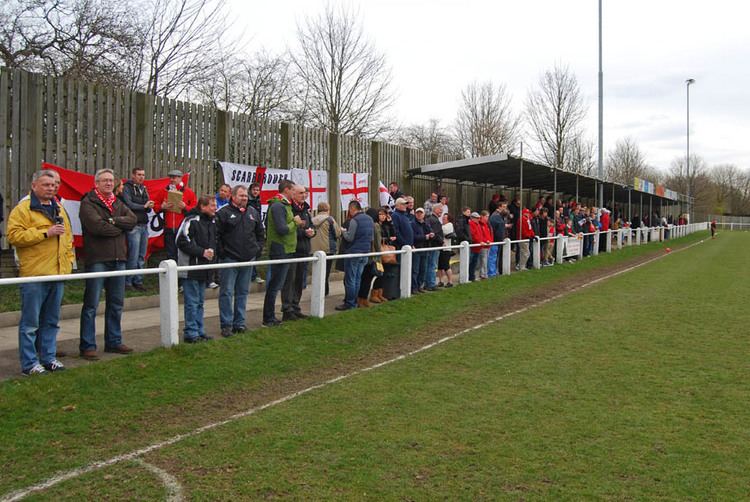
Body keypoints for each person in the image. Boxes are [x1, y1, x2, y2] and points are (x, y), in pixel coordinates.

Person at [7, 169, 75, 375]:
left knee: (51, 321)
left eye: (54, 185)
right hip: (35, 274)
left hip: (58, 273)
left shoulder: (59, 209)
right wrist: (46, 232)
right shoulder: (23, 209)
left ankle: (49, 358)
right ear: (34, 185)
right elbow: (14, 236)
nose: (51, 188)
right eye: (46, 185)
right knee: (30, 323)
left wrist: (69, 263)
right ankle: (29, 364)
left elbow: (67, 238)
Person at [79, 168, 137, 360]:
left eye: (111, 180)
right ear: (96, 183)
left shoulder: (118, 203)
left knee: (116, 303)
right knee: (91, 305)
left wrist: (113, 221)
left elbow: (133, 220)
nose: (108, 183)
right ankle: (87, 345)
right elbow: (97, 227)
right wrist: (119, 228)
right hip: (98, 260)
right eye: (104, 180)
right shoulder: (88, 203)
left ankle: (113, 341)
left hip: (119, 259)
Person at [215, 185, 265, 337]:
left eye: (245, 196)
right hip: (230, 260)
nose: (244, 198)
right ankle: (226, 325)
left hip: (247, 260)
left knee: (243, 292)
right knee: (227, 293)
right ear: (233, 196)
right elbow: (217, 236)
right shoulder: (223, 213)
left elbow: (260, 234)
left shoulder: (253, 212)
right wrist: (222, 253)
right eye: (241, 195)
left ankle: (240, 323)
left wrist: (256, 250)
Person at [176, 195, 217, 343]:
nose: (215, 208)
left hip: (204, 268)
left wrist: (211, 252)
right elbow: (181, 241)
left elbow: (212, 242)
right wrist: (202, 252)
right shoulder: (191, 220)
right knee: (192, 302)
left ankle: (199, 331)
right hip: (191, 268)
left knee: (200, 302)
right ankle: (191, 333)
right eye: (212, 205)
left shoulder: (211, 222)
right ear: (203, 206)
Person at [262, 180, 297, 327]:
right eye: (293, 190)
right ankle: (268, 318)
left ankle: (271, 317)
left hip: (287, 249)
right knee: (274, 286)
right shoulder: (277, 206)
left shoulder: (284, 205)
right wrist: (294, 222)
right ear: (287, 190)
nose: (295, 193)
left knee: (278, 284)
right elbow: (282, 229)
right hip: (280, 250)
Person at [282, 185, 315, 321]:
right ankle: (287, 309)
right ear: (293, 194)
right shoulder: (290, 209)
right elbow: (289, 229)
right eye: (301, 193)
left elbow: (311, 225)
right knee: (290, 281)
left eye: (305, 193)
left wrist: (312, 232)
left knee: (300, 281)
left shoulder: (305, 210)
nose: (304, 195)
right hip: (293, 250)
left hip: (304, 249)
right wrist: (303, 231)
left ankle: (296, 306)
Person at [152, 169, 197, 262]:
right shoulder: (163, 191)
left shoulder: (189, 192)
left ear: (180, 178)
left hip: (182, 228)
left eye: (174, 177)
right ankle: (171, 275)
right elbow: (155, 206)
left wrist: (185, 207)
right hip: (168, 227)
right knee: (170, 253)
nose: (172, 179)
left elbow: (195, 209)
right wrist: (162, 206)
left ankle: (182, 275)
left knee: (183, 252)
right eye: (171, 177)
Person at [336, 200, 373, 311]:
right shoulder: (370, 219)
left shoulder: (354, 220)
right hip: (365, 252)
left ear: (352, 208)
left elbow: (349, 238)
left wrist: (343, 232)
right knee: (357, 278)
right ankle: (355, 301)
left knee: (350, 279)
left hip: (354, 253)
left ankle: (350, 303)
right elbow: (371, 238)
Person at [121, 167, 154, 291]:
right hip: (133, 226)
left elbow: (147, 208)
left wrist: (149, 206)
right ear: (133, 175)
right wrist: (144, 206)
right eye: (139, 174)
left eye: (143, 175)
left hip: (144, 225)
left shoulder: (143, 189)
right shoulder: (127, 188)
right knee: (133, 255)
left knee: (141, 255)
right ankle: (128, 282)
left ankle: (138, 281)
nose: (141, 177)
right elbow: (128, 204)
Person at [311, 201, 341, 296]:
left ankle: (317, 290)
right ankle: (324, 290)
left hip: (314, 249)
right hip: (327, 249)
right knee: (326, 272)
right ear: (328, 209)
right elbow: (337, 233)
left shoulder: (312, 220)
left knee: (317, 272)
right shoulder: (330, 219)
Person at [370, 208, 395, 301]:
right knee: (379, 273)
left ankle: (380, 293)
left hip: (386, 253)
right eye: (381, 214)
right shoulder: (376, 225)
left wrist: (390, 222)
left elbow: (393, 233)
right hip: (379, 252)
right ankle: (374, 294)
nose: (383, 216)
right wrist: (387, 239)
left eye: (384, 215)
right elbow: (377, 239)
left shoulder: (386, 225)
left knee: (385, 273)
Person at [411, 207, 432, 293]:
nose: (419, 215)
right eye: (417, 213)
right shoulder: (412, 224)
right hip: (417, 249)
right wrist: (425, 237)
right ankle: (414, 287)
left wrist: (431, 235)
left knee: (423, 269)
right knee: (415, 270)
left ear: (424, 215)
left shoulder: (426, 224)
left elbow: (430, 231)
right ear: (415, 214)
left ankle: (419, 286)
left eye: (421, 213)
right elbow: (413, 237)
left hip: (425, 248)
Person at [424, 203, 444, 291]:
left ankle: (428, 283)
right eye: (440, 209)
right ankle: (431, 284)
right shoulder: (434, 220)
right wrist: (441, 241)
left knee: (430, 265)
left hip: (432, 245)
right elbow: (434, 234)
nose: (441, 211)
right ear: (435, 209)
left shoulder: (430, 219)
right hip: (434, 246)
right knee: (432, 265)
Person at [488, 200, 507, 277]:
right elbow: (492, 229)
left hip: (499, 240)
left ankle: (496, 271)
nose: (505, 209)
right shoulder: (495, 216)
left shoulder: (500, 216)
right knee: (493, 257)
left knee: (497, 257)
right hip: (495, 241)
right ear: (499, 207)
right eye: (504, 207)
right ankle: (492, 273)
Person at [438, 213, 456, 287]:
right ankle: (441, 281)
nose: (443, 219)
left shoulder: (449, 225)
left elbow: (443, 230)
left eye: (445, 218)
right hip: (441, 248)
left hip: (446, 249)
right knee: (440, 266)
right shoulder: (443, 225)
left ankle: (450, 281)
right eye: (443, 218)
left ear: (448, 220)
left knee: (446, 266)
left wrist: (438, 227)